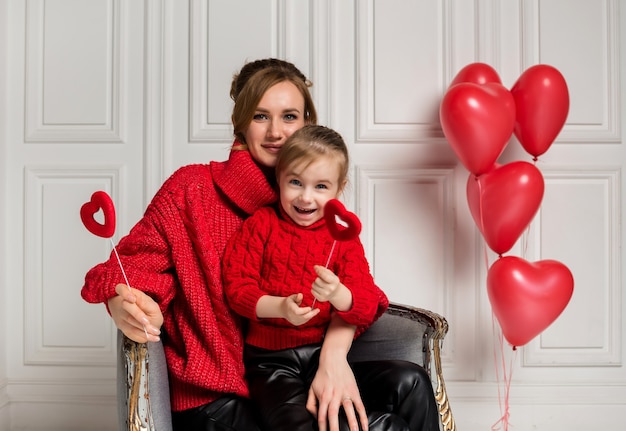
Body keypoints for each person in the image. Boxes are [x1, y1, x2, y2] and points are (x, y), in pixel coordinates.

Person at [81, 59, 439, 431]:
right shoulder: (192, 190)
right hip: (218, 398)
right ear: (240, 122)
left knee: (408, 385)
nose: (276, 132)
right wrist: (123, 301)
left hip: (303, 372)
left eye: (289, 117)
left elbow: (361, 293)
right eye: (259, 116)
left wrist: (333, 357)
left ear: (307, 122)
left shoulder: (318, 209)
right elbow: (126, 269)